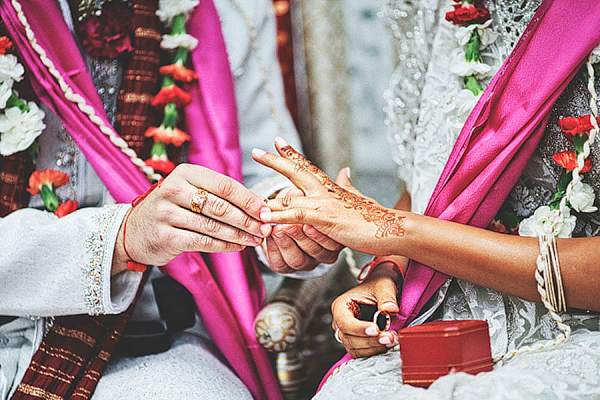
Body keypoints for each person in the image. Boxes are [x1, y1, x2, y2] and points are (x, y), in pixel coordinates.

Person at [251, 0, 600, 398]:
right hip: (431, 324)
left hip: (574, 333)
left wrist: (392, 229)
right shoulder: (433, 9)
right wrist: (387, 274)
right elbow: (429, 184)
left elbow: (405, 224)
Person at [0, 0, 341, 399]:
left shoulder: (227, 8)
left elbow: (261, 169)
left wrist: (285, 222)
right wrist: (120, 238)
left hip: (156, 340)